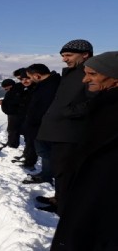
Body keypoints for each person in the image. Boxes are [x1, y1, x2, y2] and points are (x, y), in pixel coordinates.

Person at [36, 51, 118, 251]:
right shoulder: (102, 107)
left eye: (92, 74)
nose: (85, 80)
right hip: (89, 214)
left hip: (104, 226)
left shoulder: (109, 114)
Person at [32, 40, 93, 212]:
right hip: (59, 131)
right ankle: (60, 198)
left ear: (85, 54)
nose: (64, 60)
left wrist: (68, 112)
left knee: (65, 172)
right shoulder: (72, 72)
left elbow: (93, 101)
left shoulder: (90, 72)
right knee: (59, 169)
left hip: (70, 132)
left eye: (68, 55)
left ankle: (64, 208)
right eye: (63, 56)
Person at [20, 64, 60, 174]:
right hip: (40, 125)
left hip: (42, 126)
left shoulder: (49, 87)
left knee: (45, 151)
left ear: (37, 76)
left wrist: (31, 123)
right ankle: (46, 174)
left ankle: (47, 175)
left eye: (30, 77)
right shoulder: (47, 84)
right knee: (44, 151)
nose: (30, 80)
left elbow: (42, 108)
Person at [0, 78, 25, 149]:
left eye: (6, 88)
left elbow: (16, 102)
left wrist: (3, 102)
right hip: (12, 114)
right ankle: (10, 143)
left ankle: (12, 146)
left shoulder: (17, 91)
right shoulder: (14, 91)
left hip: (15, 114)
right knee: (11, 130)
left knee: (13, 130)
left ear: (10, 86)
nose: (5, 90)